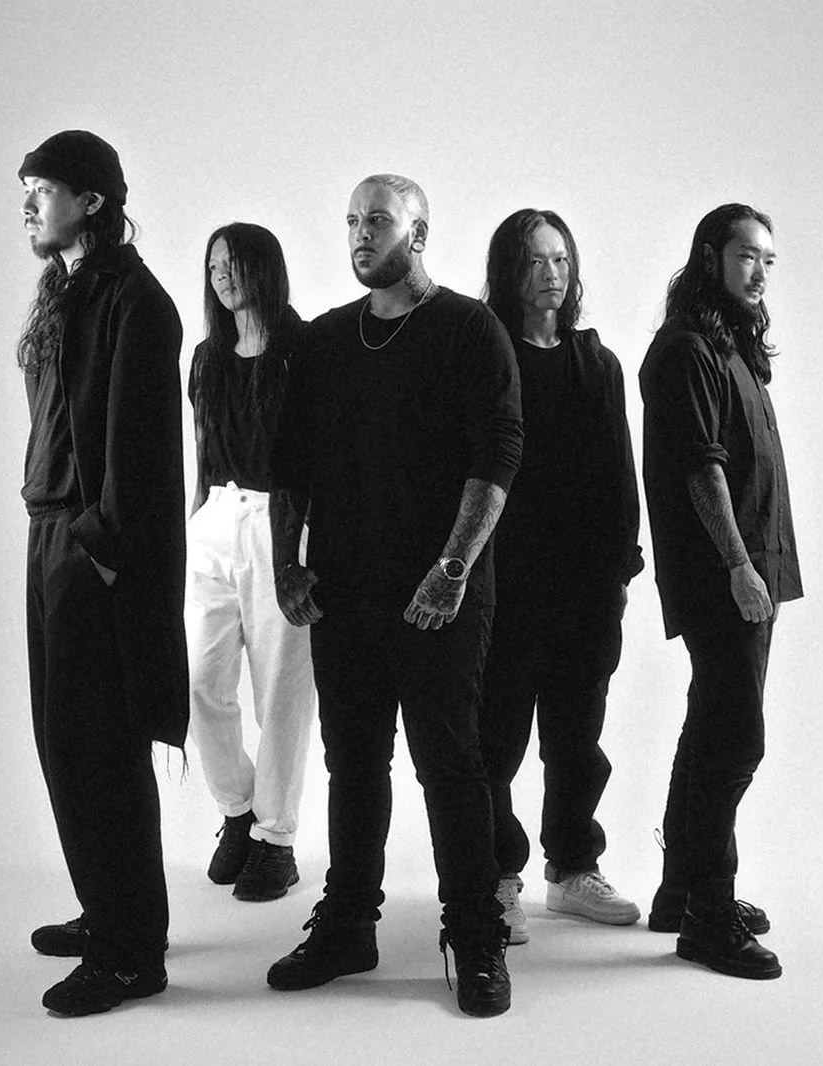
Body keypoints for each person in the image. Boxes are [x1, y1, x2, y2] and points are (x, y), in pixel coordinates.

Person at [264, 174, 523, 1018]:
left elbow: (497, 458)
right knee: (352, 763)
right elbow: (290, 466)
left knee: (451, 764)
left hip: (437, 596)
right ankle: (349, 925)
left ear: (418, 233)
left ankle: (475, 936)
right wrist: (287, 566)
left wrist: (452, 569)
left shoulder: (468, 329)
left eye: (378, 219)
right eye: (351, 220)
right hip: (344, 594)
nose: (360, 233)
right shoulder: (326, 341)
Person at [14, 130, 188, 1014]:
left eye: (43, 189)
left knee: (102, 752)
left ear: (91, 200)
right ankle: (108, 910)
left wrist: (99, 549)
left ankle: (131, 954)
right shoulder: (67, 288)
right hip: (51, 538)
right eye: (26, 189)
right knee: (63, 744)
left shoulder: (137, 302)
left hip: (92, 550)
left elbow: (142, 454)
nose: (28, 205)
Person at [639, 203, 801, 981]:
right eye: (747, 255)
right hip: (721, 572)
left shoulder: (731, 341)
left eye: (769, 259)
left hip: (755, 565)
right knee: (736, 738)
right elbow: (700, 469)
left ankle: (682, 890)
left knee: (711, 724)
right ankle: (709, 915)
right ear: (711, 256)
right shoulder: (686, 349)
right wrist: (737, 565)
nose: (760, 271)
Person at [477, 208, 644, 944]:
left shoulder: (596, 362)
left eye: (561, 260)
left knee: (578, 739)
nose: (552, 273)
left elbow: (619, 473)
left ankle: (573, 869)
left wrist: (619, 572)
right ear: (509, 270)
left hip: (585, 589)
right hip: (504, 586)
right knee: (495, 739)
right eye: (536, 260)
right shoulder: (486, 354)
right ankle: (497, 876)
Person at [185, 222, 316, 903]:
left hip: (280, 523)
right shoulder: (207, 358)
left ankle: (276, 838)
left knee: (281, 690)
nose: (223, 275)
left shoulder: (304, 350)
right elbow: (201, 450)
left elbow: (321, 457)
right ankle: (238, 810)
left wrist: (306, 547)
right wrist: (194, 522)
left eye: (234, 263)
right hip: (215, 519)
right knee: (198, 682)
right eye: (214, 265)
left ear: (264, 267)